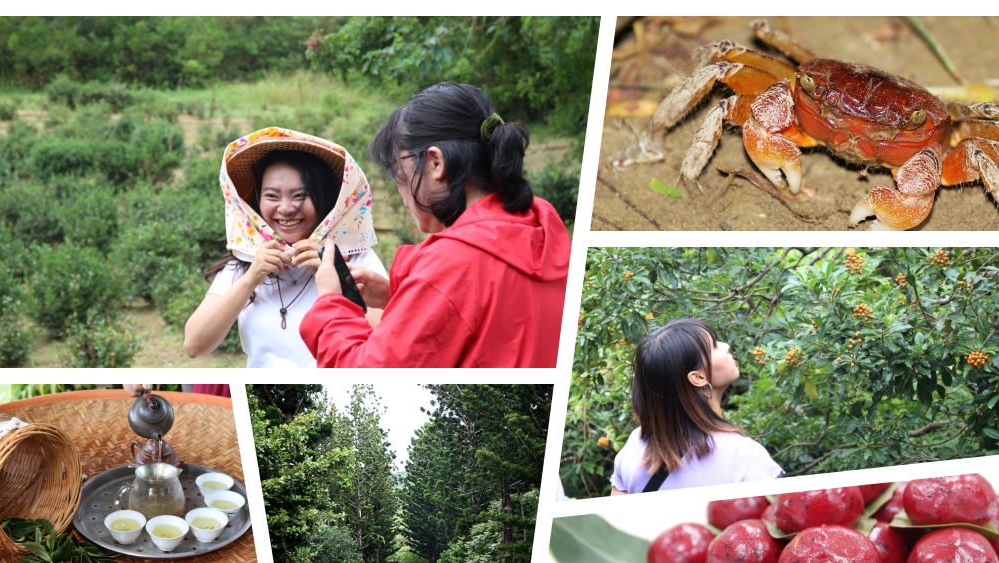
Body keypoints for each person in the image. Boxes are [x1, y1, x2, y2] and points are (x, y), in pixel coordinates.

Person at [300, 83, 570, 367]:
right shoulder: (542, 232)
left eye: (398, 172)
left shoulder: (453, 265)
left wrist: (331, 301)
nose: (399, 190)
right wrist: (402, 298)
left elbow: (363, 373)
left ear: (435, 163)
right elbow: (494, 327)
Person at [184, 128, 387, 367]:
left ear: (324, 198)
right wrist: (252, 277)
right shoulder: (246, 260)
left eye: (300, 196)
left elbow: (387, 340)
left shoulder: (354, 257)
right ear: (257, 200)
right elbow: (194, 345)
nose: (287, 208)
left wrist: (334, 278)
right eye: (272, 196)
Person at [611, 319, 783, 495]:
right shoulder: (742, 456)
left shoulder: (635, 445)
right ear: (699, 377)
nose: (726, 346)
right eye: (715, 346)